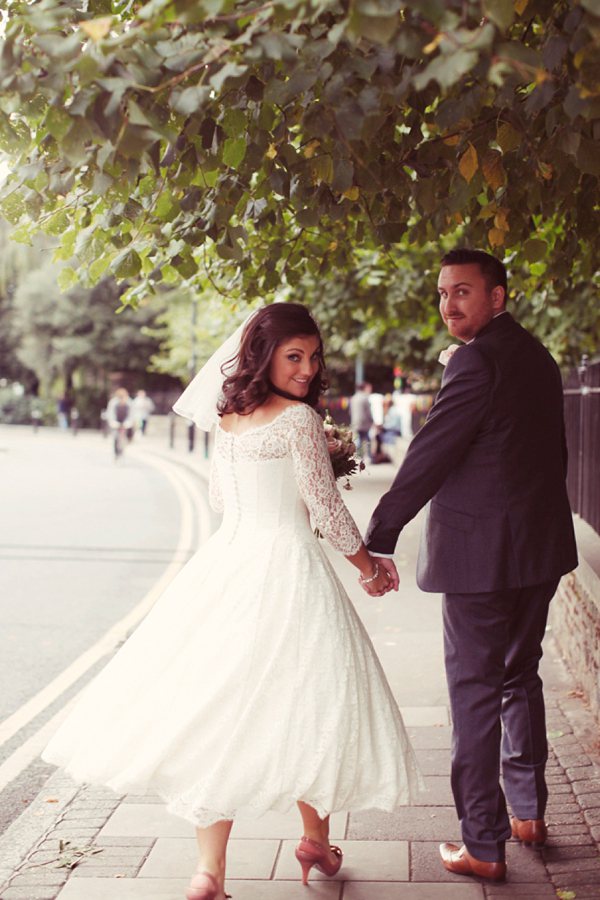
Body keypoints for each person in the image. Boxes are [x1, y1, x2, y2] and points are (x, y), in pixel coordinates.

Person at [43, 303, 422, 900]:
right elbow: (323, 510)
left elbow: (220, 498)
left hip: (227, 566)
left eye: (313, 355)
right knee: (311, 700)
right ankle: (315, 843)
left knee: (222, 707)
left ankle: (210, 873)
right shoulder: (299, 421)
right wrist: (368, 566)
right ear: (262, 355)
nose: (306, 368)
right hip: (290, 567)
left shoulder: (228, 418)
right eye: (294, 356)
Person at [364, 249, 578, 882]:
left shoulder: (476, 361)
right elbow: (552, 452)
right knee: (520, 676)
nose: (448, 304)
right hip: (538, 548)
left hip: (481, 556)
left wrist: (380, 536)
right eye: (442, 293)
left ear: (498, 298)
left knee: (476, 691)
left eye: (462, 291)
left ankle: (483, 844)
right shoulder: (538, 357)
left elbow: (431, 453)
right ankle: (529, 813)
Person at [349, 382, 373, 459]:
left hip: (356, 422)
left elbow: (350, 411)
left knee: (359, 439)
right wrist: (371, 420)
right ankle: (369, 456)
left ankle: (359, 455)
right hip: (365, 422)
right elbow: (368, 411)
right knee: (367, 439)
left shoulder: (354, 398)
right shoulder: (365, 397)